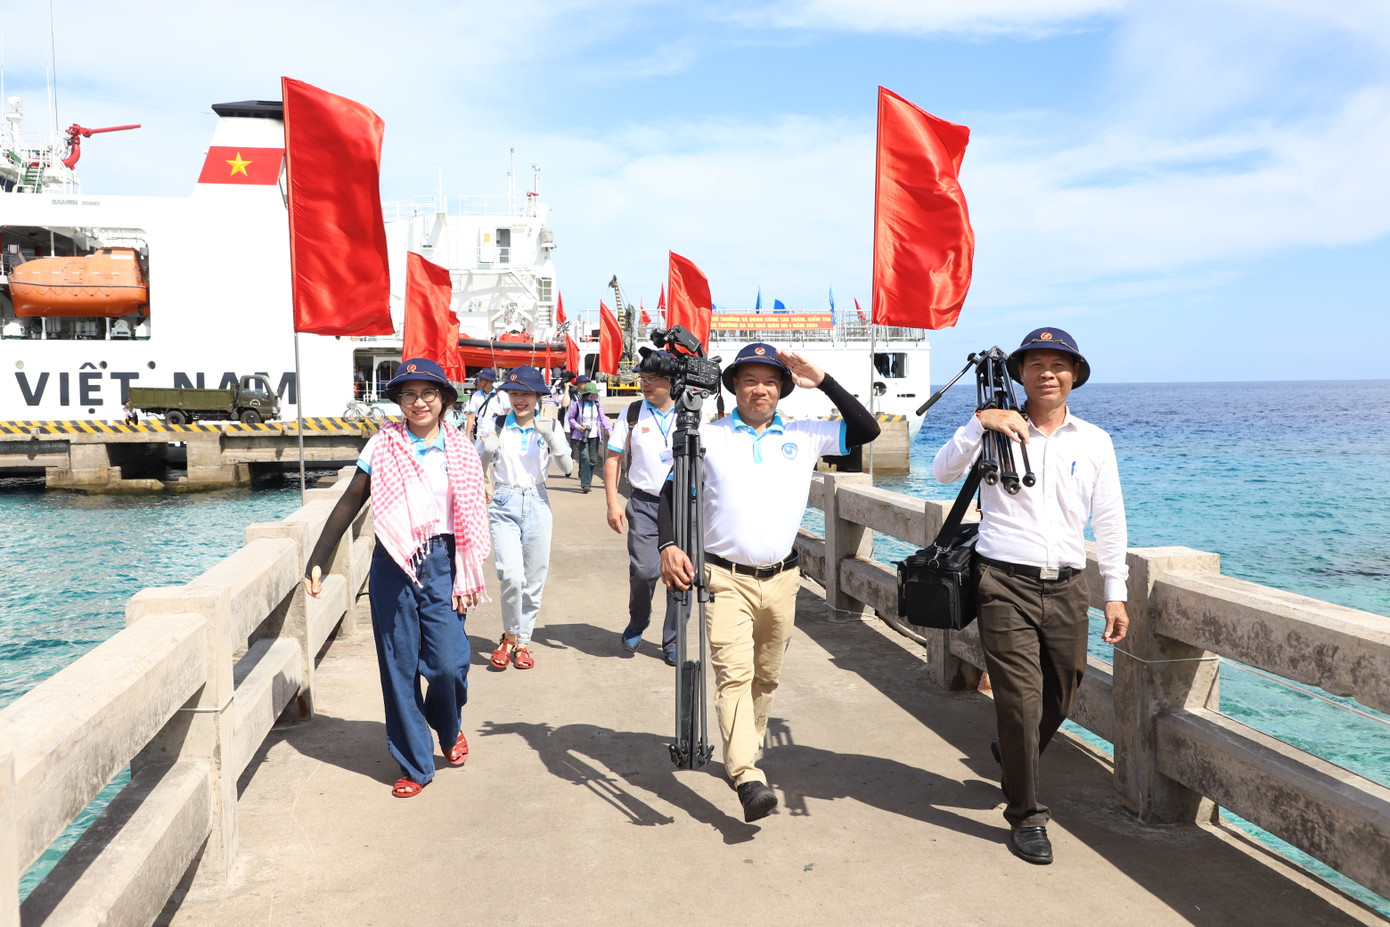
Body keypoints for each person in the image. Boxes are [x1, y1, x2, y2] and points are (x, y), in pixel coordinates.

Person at [931, 327, 1129, 865]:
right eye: (1036, 363)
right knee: (1018, 699)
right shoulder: (996, 432)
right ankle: (1025, 814)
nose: (1048, 372)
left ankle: (1013, 753)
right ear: (1020, 373)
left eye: (1059, 364)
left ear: (1074, 376)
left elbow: (1109, 519)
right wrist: (979, 423)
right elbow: (941, 469)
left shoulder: (1094, 441)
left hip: (1067, 585)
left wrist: (1115, 591)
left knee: (1064, 689)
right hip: (1003, 584)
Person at [659, 344, 880, 823]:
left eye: (769, 381)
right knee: (733, 676)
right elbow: (669, 493)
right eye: (749, 380)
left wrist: (823, 380)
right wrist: (669, 545)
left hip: (783, 580)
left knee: (766, 676)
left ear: (781, 389)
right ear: (734, 386)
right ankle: (745, 775)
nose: (759, 389)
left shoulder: (805, 435)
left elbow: (868, 430)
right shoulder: (709, 436)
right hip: (724, 578)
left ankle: (746, 750)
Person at [302, 358, 491, 799]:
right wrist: (319, 557)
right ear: (399, 402)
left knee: (448, 665)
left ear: (444, 399)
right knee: (398, 665)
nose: (419, 402)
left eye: (428, 394)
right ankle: (414, 763)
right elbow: (351, 501)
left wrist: (466, 566)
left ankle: (447, 726)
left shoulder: (461, 449)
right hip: (393, 563)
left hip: (444, 561)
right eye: (409, 394)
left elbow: (471, 512)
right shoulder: (382, 445)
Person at [478, 365, 574, 671]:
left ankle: (521, 643)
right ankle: (509, 636)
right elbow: (476, 468)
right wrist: (485, 452)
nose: (520, 399)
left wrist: (551, 436)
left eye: (526, 394)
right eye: (514, 393)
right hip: (504, 501)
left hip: (537, 501)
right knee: (511, 575)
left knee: (533, 580)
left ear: (537, 396)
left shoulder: (549, 423)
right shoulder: (495, 424)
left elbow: (568, 467)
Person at [603, 351, 679, 664]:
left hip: (683, 505)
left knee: (681, 577)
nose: (643, 384)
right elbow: (613, 458)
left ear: (671, 381)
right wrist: (612, 502)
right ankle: (639, 620)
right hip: (645, 503)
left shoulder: (691, 413)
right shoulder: (632, 413)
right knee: (646, 571)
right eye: (642, 378)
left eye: (651, 379)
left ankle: (674, 640)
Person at [565, 381, 612, 494]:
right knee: (585, 458)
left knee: (593, 460)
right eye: (591, 394)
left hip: (594, 436)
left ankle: (588, 482)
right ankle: (585, 484)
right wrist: (578, 426)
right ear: (586, 394)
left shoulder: (597, 405)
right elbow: (571, 418)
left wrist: (609, 430)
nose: (593, 396)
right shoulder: (578, 404)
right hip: (581, 436)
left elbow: (603, 418)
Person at [463, 367, 510, 444]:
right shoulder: (475, 395)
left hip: (498, 434)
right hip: (480, 435)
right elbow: (471, 417)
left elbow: (508, 413)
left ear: (489, 381)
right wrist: (467, 436)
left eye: (481, 379)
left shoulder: (502, 395)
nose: (479, 381)